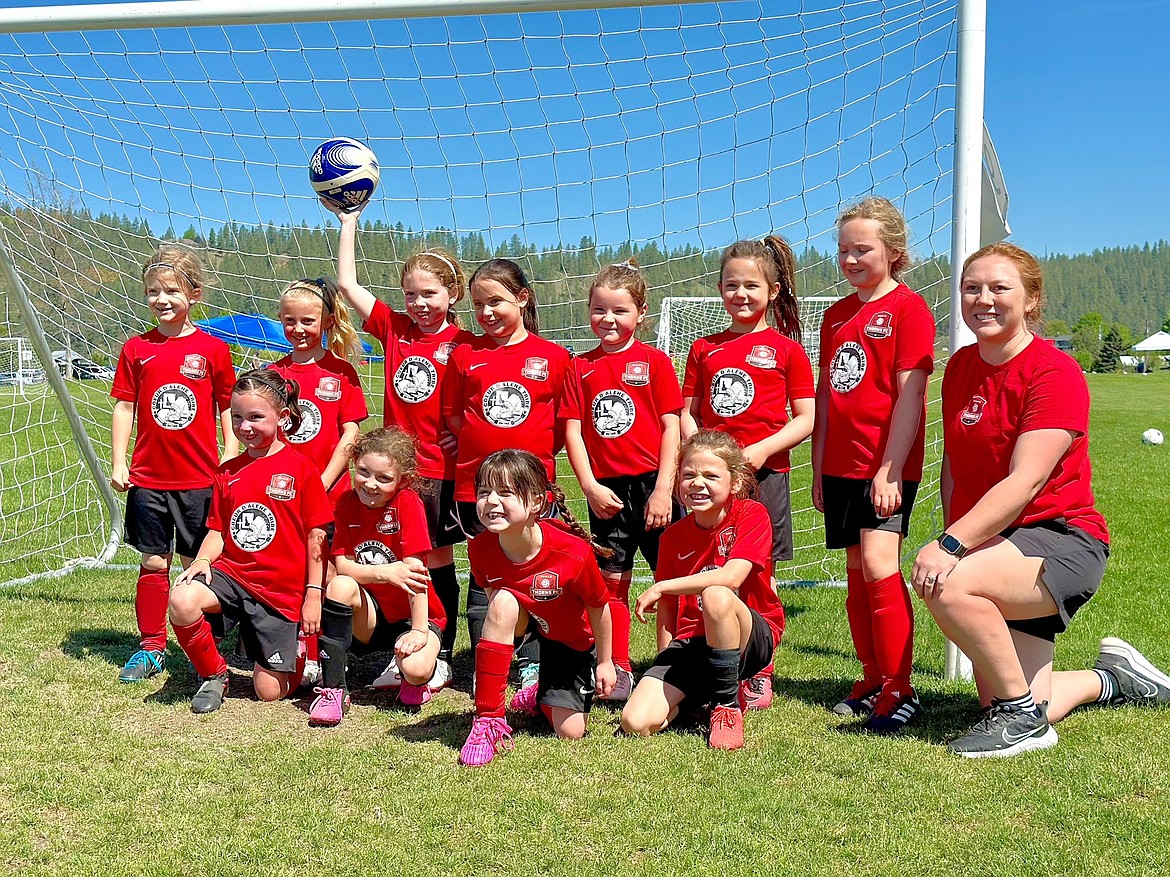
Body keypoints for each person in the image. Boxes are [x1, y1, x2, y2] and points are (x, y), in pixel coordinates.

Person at [912, 242, 1170, 758]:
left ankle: (1021, 722)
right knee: (1024, 696)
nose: (983, 299)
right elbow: (956, 470)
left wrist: (951, 545)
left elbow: (1026, 481)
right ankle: (1110, 681)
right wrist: (959, 531)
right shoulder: (961, 366)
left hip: (1062, 540)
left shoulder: (1054, 371)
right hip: (1002, 543)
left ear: (1031, 299)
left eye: (999, 288)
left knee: (947, 581)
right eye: (972, 288)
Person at [327, 201, 475, 690]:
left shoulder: (465, 341)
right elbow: (347, 286)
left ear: (452, 293)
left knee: (436, 561)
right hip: (394, 471)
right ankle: (399, 642)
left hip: (441, 469)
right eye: (411, 294)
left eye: (429, 294)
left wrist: (465, 429)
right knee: (400, 559)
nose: (419, 303)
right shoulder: (395, 330)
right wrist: (348, 223)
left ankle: (440, 649)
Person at [812, 197, 935, 733]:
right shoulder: (836, 315)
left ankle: (901, 687)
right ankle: (870, 678)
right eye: (843, 249)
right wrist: (816, 467)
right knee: (857, 575)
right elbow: (825, 396)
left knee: (882, 567)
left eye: (863, 249)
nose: (851, 258)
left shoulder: (909, 310)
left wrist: (890, 468)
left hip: (883, 468)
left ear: (895, 252)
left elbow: (910, 397)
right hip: (839, 466)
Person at [681, 236, 814, 710]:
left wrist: (758, 453)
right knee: (707, 565)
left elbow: (806, 417)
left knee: (758, 572)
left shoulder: (787, 351)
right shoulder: (703, 348)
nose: (741, 293)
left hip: (764, 476)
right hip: (709, 482)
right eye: (731, 284)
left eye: (751, 285)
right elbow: (688, 411)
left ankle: (759, 669)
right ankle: (703, 654)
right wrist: (696, 456)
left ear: (773, 291)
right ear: (719, 288)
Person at [168, 369, 332, 714]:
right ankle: (214, 673)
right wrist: (202, 560)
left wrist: (313, 594)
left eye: (256, 417)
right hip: (234, 577)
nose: (245, 427)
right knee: (182, 598)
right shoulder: (228, 471)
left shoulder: (301, 469)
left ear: (283, 417)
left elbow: (317, 536)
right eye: (237, 417)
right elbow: (218, 530)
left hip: (280, 592)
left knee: (268, 691)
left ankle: (300, 655)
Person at [110, 244, 237, 683]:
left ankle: (202, 640)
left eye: (171, 291)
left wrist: (230, 448)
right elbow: (125, 406)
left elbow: (226, 405)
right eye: (152, 292)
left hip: (199, 478)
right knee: (152, 562)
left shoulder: (214, 350)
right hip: (149, 478)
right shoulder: (136, 349)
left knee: (195, 563)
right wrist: (119, 460)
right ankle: (150, 647)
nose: (161, 299)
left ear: (194, 294)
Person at [443, 259, 571, 683]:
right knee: (485, 574)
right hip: (475, 489)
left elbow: (560, 426)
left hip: (533, 492)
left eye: (496, 301)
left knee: (536, 572)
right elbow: (458, 419)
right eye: (479, 305)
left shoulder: (553, 357)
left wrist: (525, 469)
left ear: (522, 298)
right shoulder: (465, 355)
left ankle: (535, 659)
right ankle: (488, 660)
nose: (487, 313)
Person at [562, 259, 683, 702]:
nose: (608, 320)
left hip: (655, 488)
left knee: (670, 580)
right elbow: (573, 430)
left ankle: (672, 669)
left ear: (641, 313)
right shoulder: (579, 368)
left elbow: (672, 427)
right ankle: (618, 667)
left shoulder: (655, 362)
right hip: (607, 491)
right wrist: (590, 487)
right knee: (612, 580)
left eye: (619, 311)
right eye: (599, 310)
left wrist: (664, 490)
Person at [620, 430, 785, 750]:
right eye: (688, 475)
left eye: (710, 475)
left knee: (716, 594)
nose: (698, 483)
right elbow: (667, 608)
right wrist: (665, 662)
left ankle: (727, 707)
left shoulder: (751, 514)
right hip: (694, 641)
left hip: (750, 637)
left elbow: (732, 577)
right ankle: (698, 699)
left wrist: (663, 585)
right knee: (635, 722)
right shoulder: (672, 538)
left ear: (735, 483)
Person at [459, 449, 615, 766]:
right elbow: (493, 600)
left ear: (536, 503)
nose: (490, 501)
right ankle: (487, 719)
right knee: (503, 600)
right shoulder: (479, 548)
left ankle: (541, 692)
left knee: (570, 731)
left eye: (505, 493)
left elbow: (600, 607)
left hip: (568, 638)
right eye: (484, 492)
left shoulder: (572, 552)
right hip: (523, 623)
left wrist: (606, 662)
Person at [309, 427, 445, 726]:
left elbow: (416, 575)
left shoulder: (408, 503)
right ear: (353, 464)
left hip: (415, 615)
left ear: (402, 480)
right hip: (372, 616)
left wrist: (419, 631)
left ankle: (423, 672)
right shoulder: (346, 504)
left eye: (383, 478)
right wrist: (384, 572)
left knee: (417, 669)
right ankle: (333, 689)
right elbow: (343, 566)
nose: (370, 484)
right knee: (341, 585)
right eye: (363, 472)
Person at [270, 276, 368, 686]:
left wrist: (324, 481)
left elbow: (351, 435)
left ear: (327, 321)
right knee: (291, 569)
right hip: (283, 493)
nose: (298, 328)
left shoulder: (342, 372)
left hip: (329, 493)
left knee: (326, 572)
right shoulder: (272, 373)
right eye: (290, 320)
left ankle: (325, 653)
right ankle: (293, 645)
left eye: (307, 320)